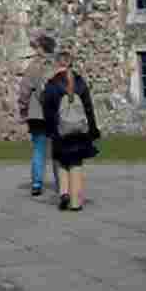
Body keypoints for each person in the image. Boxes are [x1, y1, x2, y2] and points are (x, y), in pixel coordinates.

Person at [43, 45, 100, 211]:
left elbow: (48, 109)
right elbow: (88, 107)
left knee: (62, 162)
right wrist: (93, 128)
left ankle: (64, 192)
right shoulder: (80, 82)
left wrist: (50, 129)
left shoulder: (52, 85)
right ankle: (76, 202)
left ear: (57, 64)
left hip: (60, 130)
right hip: (79, 130)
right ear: (71, 63)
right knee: (76, 163)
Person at [17, 31, 57, 196]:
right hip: (54, 114)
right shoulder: (57, 66)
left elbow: (25, 90)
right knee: (56, 149)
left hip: (37, 114)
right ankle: (61, 182)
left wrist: (23, 107)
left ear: (41, 48)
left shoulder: (33, 66)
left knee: (39, 149)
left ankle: (36, 183)